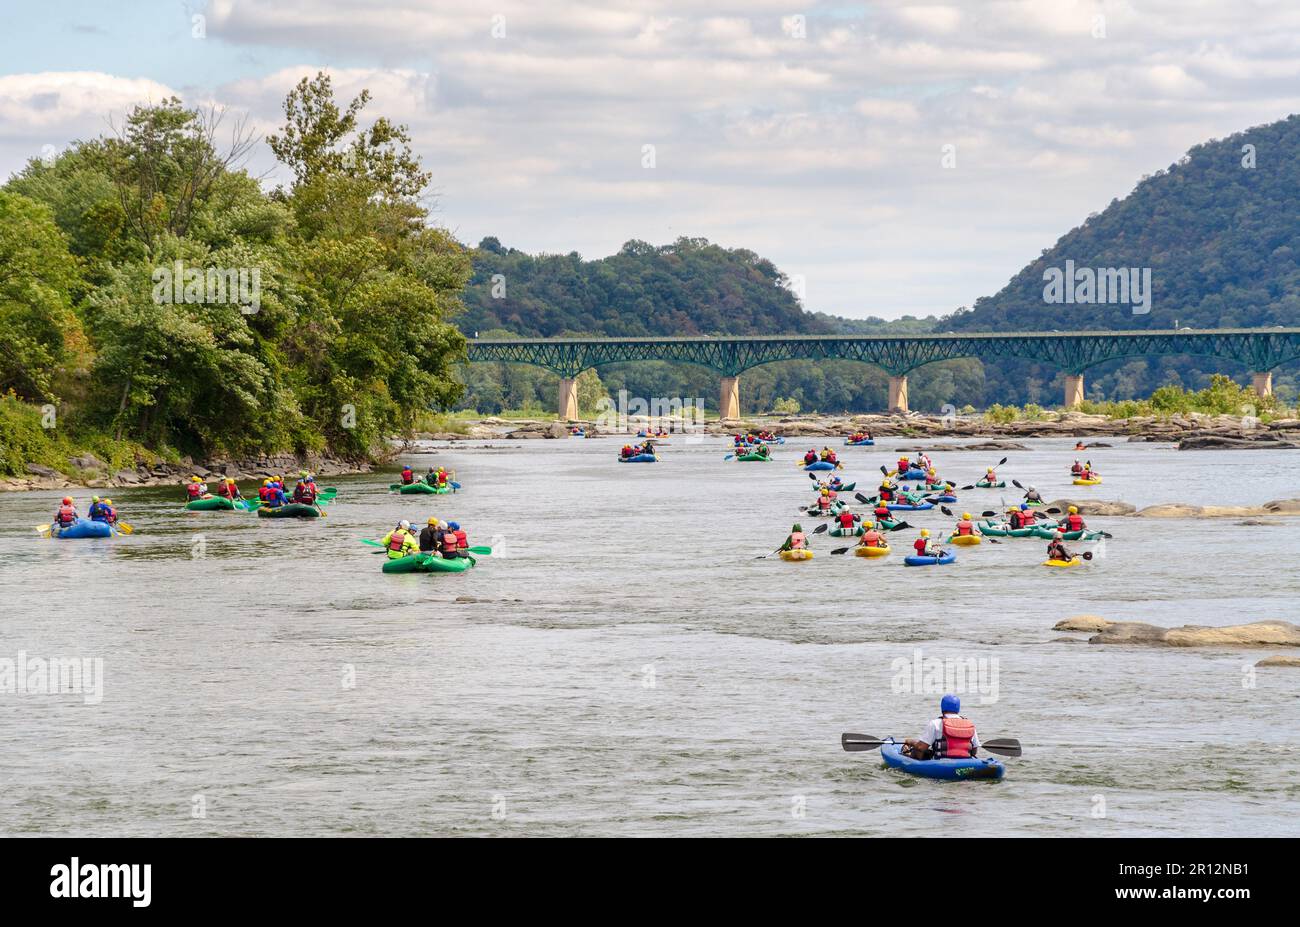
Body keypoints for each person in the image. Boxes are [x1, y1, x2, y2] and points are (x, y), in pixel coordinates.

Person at [903, 694, 981, 760]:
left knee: (916, 751)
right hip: (965, 763)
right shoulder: (970, 724)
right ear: (958, 708)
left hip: (941, 764)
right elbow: (974, 751)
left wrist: (910, 742)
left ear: (942, 708)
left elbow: (920, 747)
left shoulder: (935, 723)